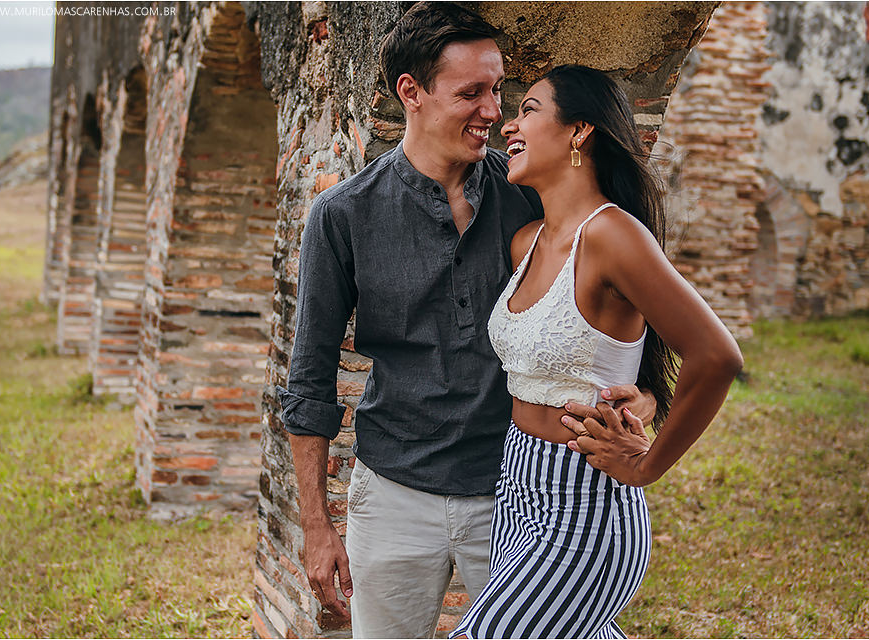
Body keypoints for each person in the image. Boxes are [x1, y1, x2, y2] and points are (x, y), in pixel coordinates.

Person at [275, 4, 658, 638]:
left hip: (516, 502)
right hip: (392, 492)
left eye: (499, 89)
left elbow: (623, 322)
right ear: (411, 93)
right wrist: (317, 525)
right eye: (471, 92)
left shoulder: (532, 200)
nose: (493, 110)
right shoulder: (342, 216)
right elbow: (309, 383)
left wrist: (639, 402)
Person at [450, 65, 745, 639]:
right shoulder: (526, 241)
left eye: (528, 110)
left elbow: (716, 355)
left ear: (579, 132)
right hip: (517, 488)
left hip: (587, 503)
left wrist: (647, 463)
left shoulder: (611, 235)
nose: (510, 124)